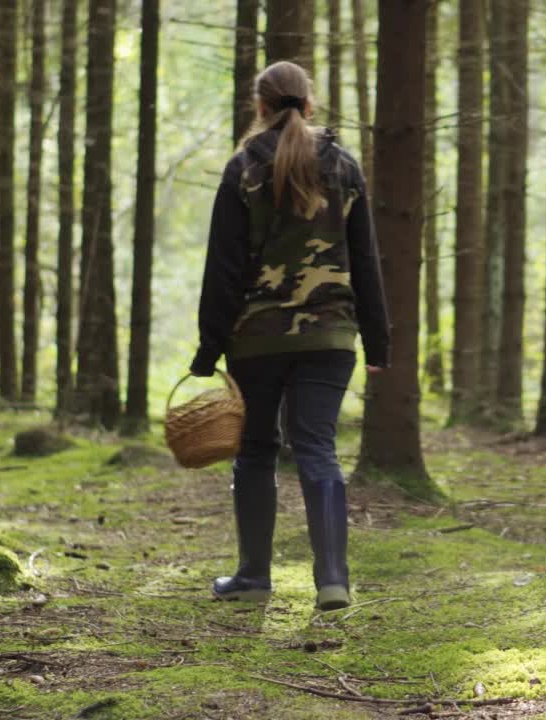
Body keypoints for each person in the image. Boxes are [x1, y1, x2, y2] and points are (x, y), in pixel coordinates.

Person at [189, 61, 390, 611]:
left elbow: (223, 269)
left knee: (255, 450)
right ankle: (332, 580)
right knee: (317, 449)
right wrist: (378, 341)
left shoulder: (243, 169)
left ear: (260, 106)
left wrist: (208, 350)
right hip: (330, 338)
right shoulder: (344, 166)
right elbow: (365, 261)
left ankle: (254, 577)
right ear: (309, 104)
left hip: (256, 340)